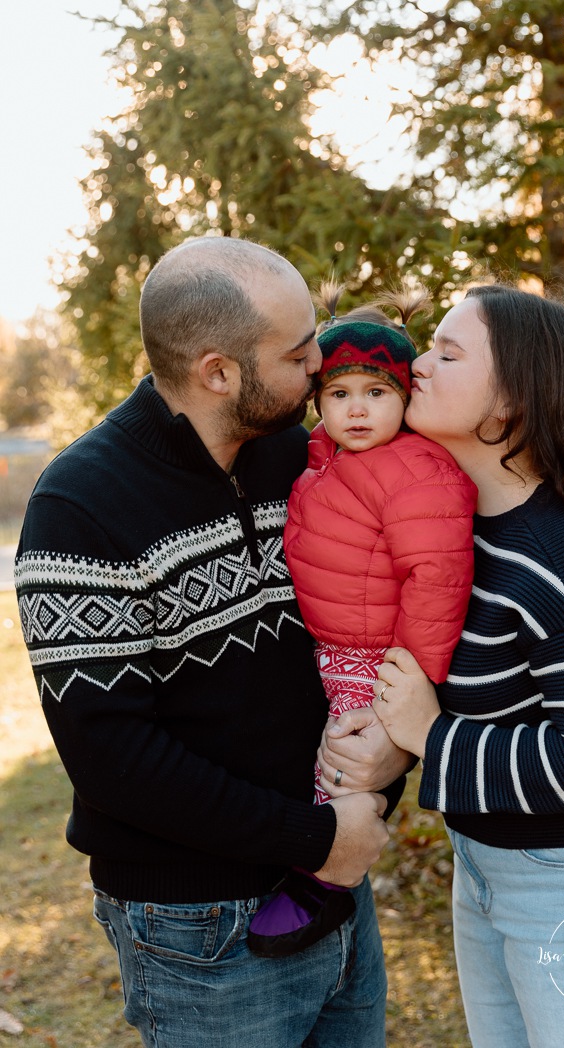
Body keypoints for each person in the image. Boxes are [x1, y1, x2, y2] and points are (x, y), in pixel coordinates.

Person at [13, 237, 412, 1048]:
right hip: (199, 928)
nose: (322, 366)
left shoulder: (306, 456)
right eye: (300, 352)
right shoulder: (81, 507)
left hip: (336, 883)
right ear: (219, 372)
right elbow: (113, 758)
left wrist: (386, 768)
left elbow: (379, 619)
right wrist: (318, 839)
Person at [324, 283, 564, 1048]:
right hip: (489, 857)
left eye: (447, 353)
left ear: (511, 404)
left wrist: (429, 734)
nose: (417, 364)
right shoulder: (455, 522)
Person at [247, 283, 478, 957]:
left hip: (376, 652)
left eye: (376, 394)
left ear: (404, 398)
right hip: (329, 641)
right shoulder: (325, 456)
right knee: (310, 751)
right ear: (317, 402)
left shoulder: (414, 469)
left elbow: (437, 580)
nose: (356, 409)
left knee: (348, 764)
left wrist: (406, 688)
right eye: (340, 393)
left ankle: (327, 878)